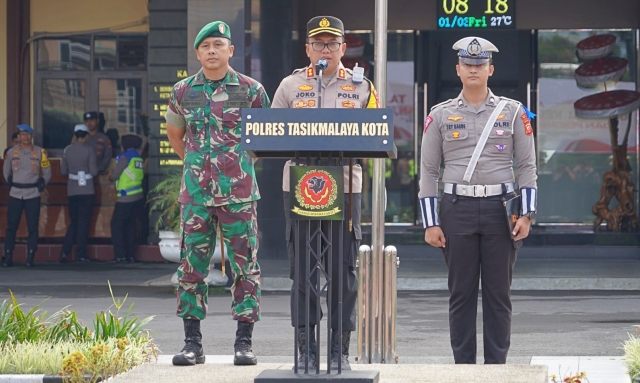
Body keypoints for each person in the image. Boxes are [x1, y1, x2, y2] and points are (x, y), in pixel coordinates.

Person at [419, 36, 538, 364]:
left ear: (490, 69)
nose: (474, 69)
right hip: (457, 210)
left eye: (480, 64)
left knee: (499, 295)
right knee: (461, 295)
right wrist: (431, 222)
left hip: (503, 209)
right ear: (458, 70)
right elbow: (428, 171)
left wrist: (527, 214)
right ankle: (464, 369)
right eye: (468, 65)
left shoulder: (513, 112)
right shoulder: (440, 115)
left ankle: (496, 368)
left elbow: (528, 166)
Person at [271, 15, 380, 370]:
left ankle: (339, 348)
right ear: (307, 49)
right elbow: (271, 134)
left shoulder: (362, 87)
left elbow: (378, 132)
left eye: (332, 43)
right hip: (302, 184)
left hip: (345, 186)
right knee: (303, 270)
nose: (325, 49)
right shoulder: (290, 86)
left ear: (344, 49)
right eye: (318, 43)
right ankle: (306, 348)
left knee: (342, 270)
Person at [164, 20, 270, 367]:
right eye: (206, 46)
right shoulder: (182, 91)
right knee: (191, 268)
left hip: (238, 193)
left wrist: (233, 167)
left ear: (230, 50)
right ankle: (192, 343)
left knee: (245, 267)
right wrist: (199, 169)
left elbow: (265, 138)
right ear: (197, 52)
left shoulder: (252, 90)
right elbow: (176, 136)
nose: (212, 51)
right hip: (195, 195)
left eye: (218, 45)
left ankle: (244, 342)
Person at [2, 124, 51, 267]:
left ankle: (30, 256)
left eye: (28, 134)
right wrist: (10, 182)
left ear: (32, 136)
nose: (25, 137)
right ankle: (8, 255)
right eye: (22, 134)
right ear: (18, 137)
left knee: (33, 227)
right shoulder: (11, 152)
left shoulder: (40, 152)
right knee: (12, 226)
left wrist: (42, 183)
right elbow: (6, 171)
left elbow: (47, 171)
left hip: (32, 193)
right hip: (16, 193)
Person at [60, 124, 98, 263]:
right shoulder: (89, 150)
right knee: (83, 223)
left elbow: (63, 171)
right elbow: (93, 172)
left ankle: (65, 252)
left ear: (75, 135)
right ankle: (81, 253)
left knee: (74, 222)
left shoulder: (67, 150)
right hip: (87, 190)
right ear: (86, 135)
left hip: (72, 190)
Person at [109, 134, 144, 263]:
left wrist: (111, 174)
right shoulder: (138, 158)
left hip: (126, 197)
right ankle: (130, 255)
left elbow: (115, 175)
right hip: (137, 196)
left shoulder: (125, 157)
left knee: (116, 225)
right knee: (130, 226)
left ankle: (120, 256)